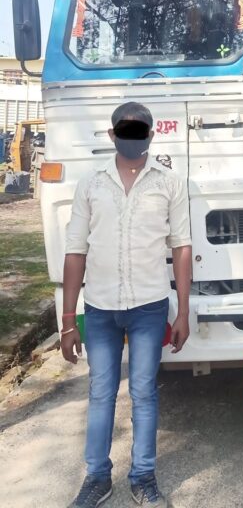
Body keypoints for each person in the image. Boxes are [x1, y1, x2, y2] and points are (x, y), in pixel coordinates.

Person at [61, 101, 192, 507]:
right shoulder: (91, 184)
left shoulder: (170, 183)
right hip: (100, 308)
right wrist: (68, 320)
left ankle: (143, 478)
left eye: (140, 131)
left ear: (151, 136)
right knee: (101, 392)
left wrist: (183, 310)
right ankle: (97, 478)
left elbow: (182, 247)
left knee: (143, 393)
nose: (132, 138)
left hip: (149, 306)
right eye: (125, 131)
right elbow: (75, 250)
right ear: (112, 135)